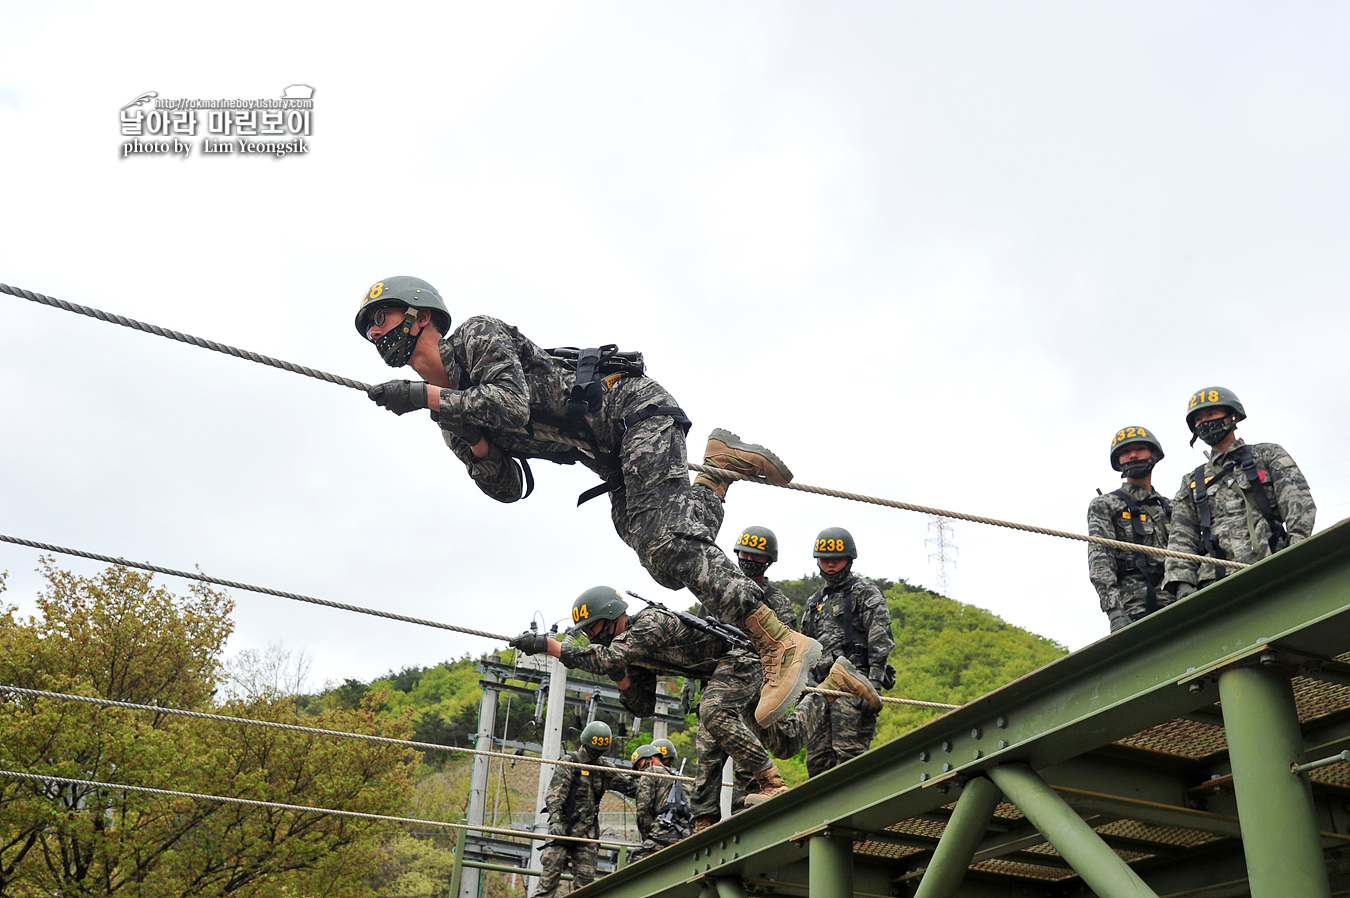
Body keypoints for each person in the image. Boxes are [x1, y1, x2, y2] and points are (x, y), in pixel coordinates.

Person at [356, 276, 819, 725]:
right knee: (663, 564)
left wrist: (429, 397)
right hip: (610, 458)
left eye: (382, 316)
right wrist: (475, 441)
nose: (376, 331)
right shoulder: (447, 415)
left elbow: (512, 405)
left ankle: (778, 642)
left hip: (630, 410)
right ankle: (719, 470)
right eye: (370, 326)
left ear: (421, 315)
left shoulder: (477, 335)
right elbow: (508, 488)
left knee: (667, 544)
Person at [511, 587, 876, 811]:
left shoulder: (649, 624)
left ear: (609, 618)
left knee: (714, 712)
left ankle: (772, 785)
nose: (590, 636)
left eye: (591, 629)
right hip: (727, 671)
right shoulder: (628, 652)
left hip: (740, 659)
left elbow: (606, 657)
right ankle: (833, 683)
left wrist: (549, 645)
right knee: (784, 741)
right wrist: (620, 676)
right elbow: (642, 706)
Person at [1163, 387, 1316, 598]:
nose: (1205, 422)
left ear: (1232, 415)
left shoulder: (1267, 454)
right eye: (1198, 418)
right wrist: (1183, 584)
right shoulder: (1191, 482)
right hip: (1216, 582)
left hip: (1272, 563)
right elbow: (1181, 538)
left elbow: (1299, 504)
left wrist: (1295, 553)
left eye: (1211, 414)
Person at [694, 526, 798, 825]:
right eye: (745, 553)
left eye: (757, 556)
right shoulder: (719, 596)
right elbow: (699, 640)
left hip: (755, 692)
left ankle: (747, 822)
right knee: (707, 758)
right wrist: (693, 682)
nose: (749, 560)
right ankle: (703, 824)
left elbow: (786, 651)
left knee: (747, 764)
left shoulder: (777, 604)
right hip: (717, 687)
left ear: (768, 561)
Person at [798, 527, 895, 777]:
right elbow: (805, 648)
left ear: (849, 559)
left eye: (836, 559)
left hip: (854, 685)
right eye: (824, 559)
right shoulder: (813, 603)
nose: (830, 565)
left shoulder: (865, 593)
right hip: (821, 689)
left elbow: (880, 639)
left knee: (850, 759)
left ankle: (853, 815)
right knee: (817, 763)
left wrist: (873, 683)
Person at [534, 721, 634, 898]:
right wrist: (556, 819)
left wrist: (652, 776)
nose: (595, 754)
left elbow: (629, 787)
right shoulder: (570, 762)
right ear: (585, 744)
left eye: (599, 751)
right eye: (593, 750)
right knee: (548, 882)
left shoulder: (603, 767)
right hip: (563, 829)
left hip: (587, 834)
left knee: (585, 885)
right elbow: (554, 794)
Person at [1087, 427, 1173, 632]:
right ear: (1119, 461)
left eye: (1140, 448)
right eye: (1125, 452)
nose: (1133, 455)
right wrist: (1114, 610)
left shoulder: (1172, 507)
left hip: (1179, 599)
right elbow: (1100, 560)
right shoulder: (1106, 505)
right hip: (1135, 604)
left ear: (1153, 454)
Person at [628, 742, 690, 861]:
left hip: (664, 835)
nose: (641, 771)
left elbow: (643, 811)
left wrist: (649, 837)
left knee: (632, 865)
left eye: (641, 766)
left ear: (651, 759)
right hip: (689, 835)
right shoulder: (683, 778)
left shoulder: (650, 773)